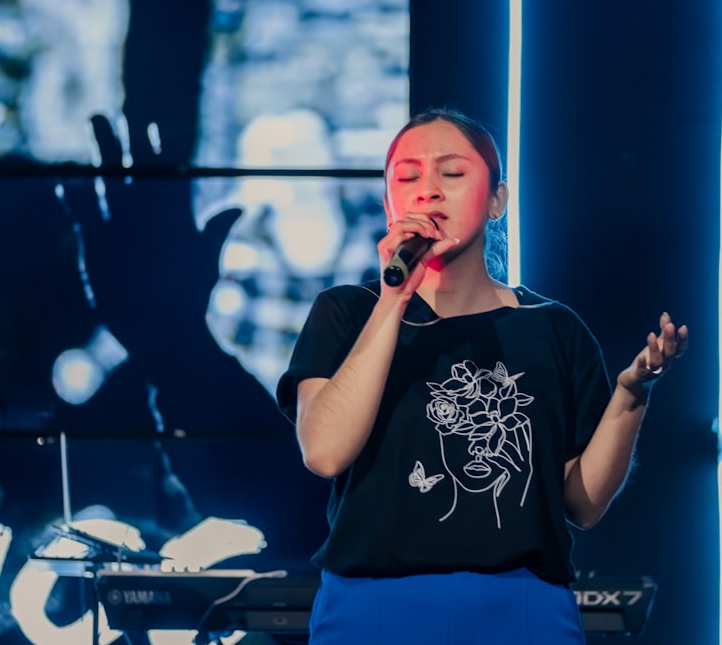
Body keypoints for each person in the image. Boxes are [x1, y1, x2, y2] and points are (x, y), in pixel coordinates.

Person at [275, 107, 688, 644]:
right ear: (388, 204)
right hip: (372, 606)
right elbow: (325, 450)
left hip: (521, 608)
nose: (428, 191)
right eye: (407, 177)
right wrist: (395, 298)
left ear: (498, 200)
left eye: (452, 173)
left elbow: (582, 505)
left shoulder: (554, 329)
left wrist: (631, 395)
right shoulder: (347, 312)